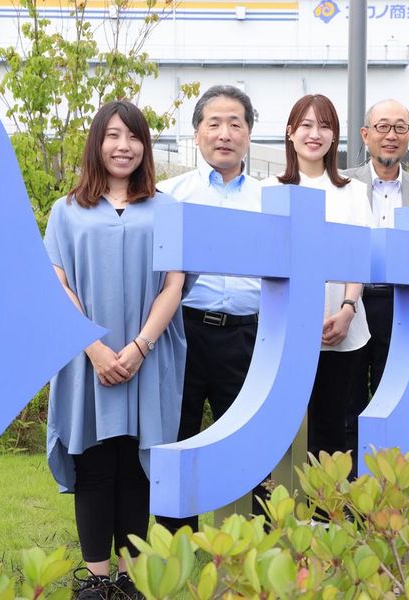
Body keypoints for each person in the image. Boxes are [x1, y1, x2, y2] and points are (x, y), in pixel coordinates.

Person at [43, 101, 186, 600]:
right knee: (95, 461)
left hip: (149, 353)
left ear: (145, 145)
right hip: (87, 358)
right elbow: (57, 285)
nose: (124, 146)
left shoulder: (166, 209)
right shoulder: (66, 211)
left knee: (136, 463)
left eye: (134, 136)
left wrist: (140, 346)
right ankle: (97, 580)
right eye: (113, 135)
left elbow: (173, 285)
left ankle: (129, 579)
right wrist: (95, 348)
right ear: (97, 143)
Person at [156, 85, 261, 531]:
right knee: (175, 436)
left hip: (248, 335)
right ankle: (174, 540)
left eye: (235, 124)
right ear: (197, 132)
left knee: (247, 440)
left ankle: (253, 541)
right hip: (183, 330)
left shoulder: (270, 199)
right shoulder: (168, 195)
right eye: (214, 123)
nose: (225, 134)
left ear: (249, 134)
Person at [262, 94, 372, 460]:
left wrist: (348, 308)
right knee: (282, 430)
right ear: (290, 133)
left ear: (335, 136)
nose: (315, 134)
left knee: (331, 429)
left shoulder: (353, 191)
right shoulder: (269, 189)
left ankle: (328, 499)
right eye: (306, 125)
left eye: (324, 126)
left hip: (340, 326)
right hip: (284, 328)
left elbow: (359, 257)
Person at [343, 99, 409, 467]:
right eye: (382, 126)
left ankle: (392, 477)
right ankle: (349, 481)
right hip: (352, 303)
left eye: (400, 127)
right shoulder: (343, 183)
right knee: (349, 397)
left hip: (402, 306)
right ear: (365, 134)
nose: (391, 135)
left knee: (396, 393)